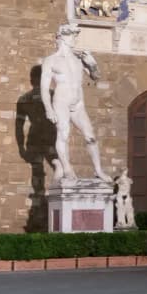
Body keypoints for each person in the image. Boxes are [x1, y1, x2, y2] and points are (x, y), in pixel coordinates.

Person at [41, 25, 109, 182]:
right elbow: (44, 88)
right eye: (72, 36)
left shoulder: (79, 58)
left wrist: (92, 64)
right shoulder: (51, 61)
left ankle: (98, 170)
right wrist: (48, 109)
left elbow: (96, 77)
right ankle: (66, 167)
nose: (75, 39)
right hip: (61, 102)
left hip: (78, 103)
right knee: (63, 133)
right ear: (63, 38)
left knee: (90, 136)